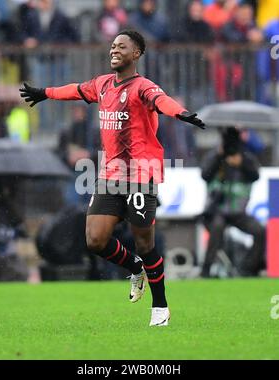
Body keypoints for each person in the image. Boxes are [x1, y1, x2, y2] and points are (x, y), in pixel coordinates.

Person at [19, 30, 205, 326]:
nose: (114, 50)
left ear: (136, 54)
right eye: (113, 46)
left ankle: (160, 307)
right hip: (110, 174)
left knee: (145, 243)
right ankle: (133, 267)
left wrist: (181, 113)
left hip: (141, 174)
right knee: (94, 239)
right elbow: (76, 89)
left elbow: (161, 101)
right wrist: (45, 93)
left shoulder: (143, 87)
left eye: (122, 46)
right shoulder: (103, 85)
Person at [200, 127, 265, 278]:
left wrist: (241, 163)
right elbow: (205, 175)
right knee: (216, 228)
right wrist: (219, 157)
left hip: (238, 212)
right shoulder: (216, 156)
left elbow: (255, 175)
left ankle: (247, 268)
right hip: (218, 210)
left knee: (260, 231)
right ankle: (206, 270)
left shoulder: (246, 158)